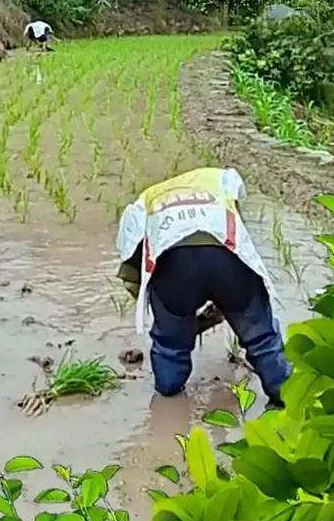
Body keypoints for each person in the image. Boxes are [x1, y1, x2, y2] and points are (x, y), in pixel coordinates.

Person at [116, 166, 289, 407]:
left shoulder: (145, 200)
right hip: (227, 258)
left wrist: (167, 315)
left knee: (170, 345)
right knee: (261, 338)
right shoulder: (221, 178)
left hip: (173, 267)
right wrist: (224, 301)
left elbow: (132, 267)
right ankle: (287, 398)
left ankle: (168, 398)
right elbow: (239, 229)